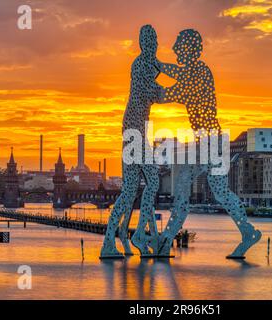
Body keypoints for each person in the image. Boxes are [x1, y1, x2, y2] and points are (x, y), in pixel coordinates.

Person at [157, 29, 262, 259]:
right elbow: (177, 74)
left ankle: (166, 240)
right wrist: (158, 66)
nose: (174, 49)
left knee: (185, 183)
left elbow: (167, 93)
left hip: (210, 142)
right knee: (221, 193)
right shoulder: (195, 72)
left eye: (178, 45)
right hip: (212, 141)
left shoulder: (199, 72)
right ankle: (248, 232)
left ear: (189, 49)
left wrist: (153, 69)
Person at [100, 25, 164, 259]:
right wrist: (181, 92)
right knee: (145, 184)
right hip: (133, 131)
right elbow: (152, 92)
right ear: (142, 43)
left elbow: (165, 76)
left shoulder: (152, 64)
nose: (154, 43)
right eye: (150, 39)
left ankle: (119, 239)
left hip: (137, 131)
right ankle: (131, 236)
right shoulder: (140, 65)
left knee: (135, 187)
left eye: (155, 39)